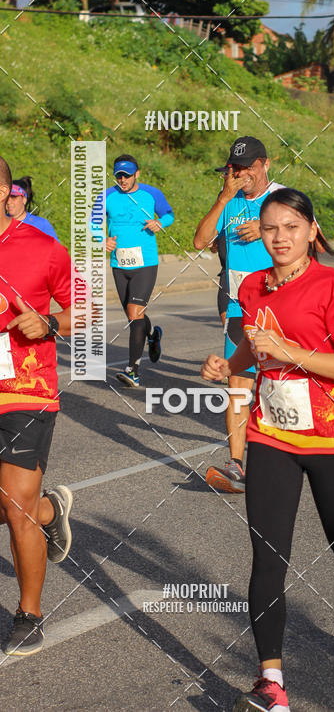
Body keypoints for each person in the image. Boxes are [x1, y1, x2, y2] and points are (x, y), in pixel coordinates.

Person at [201, 188, 334, 712]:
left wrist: (293, 353)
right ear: (259, 234)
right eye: (269, 228)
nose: (280, 238)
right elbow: (252, 343)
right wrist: (229, 366)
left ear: (311, 230)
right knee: (267, 557)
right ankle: (271, 684)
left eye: (290, 227)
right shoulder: (253, 287)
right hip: (271, 435)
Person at [0, 155, 73, 655]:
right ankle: (51, 511)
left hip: (24, 390)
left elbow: (83, 311)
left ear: (6, 191)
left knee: (13, 504)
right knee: (13, 505)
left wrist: (48, 323)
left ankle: (30, 613)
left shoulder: (43, 247)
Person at [194, 136, 285, 494]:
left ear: (265, 165)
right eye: (235, 168)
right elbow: (200, 241)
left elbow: (310, 240)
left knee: (279, 388)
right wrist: (222, 198)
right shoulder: (229, 202)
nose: (241, 175)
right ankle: (236, 465)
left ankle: (286, 459)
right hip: (238, 308)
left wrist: (266, 231)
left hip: (279, 307)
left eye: (247, 168)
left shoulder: (281, 198)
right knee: (238, 388)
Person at [90, 154, 174, 388]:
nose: (123, 179)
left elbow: (169, 214)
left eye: (127, 175)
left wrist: (160, 223)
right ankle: (153, 336)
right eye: (119, 175)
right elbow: (93, 222)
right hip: (120, 264)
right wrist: (101, 239)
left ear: (137, 174)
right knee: (132, 315)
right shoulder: (107, 196)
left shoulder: (151, 194)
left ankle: (133, 370)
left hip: (145, 262)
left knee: (135, 311)